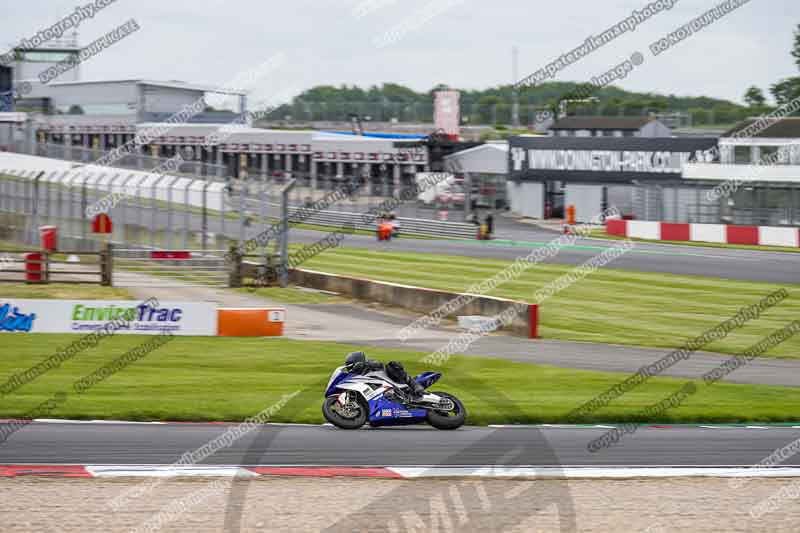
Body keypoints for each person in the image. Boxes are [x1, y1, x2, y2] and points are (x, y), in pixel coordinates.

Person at [344, 351, 425, 399]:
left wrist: (368, 364)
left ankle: (415, 385)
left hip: (394, 382)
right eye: (349, 368)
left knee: (392, 365)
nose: (351, 370)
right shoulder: (358, 377)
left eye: (352, 366)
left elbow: (379, 364)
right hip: (381, 393)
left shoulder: (370, 363)